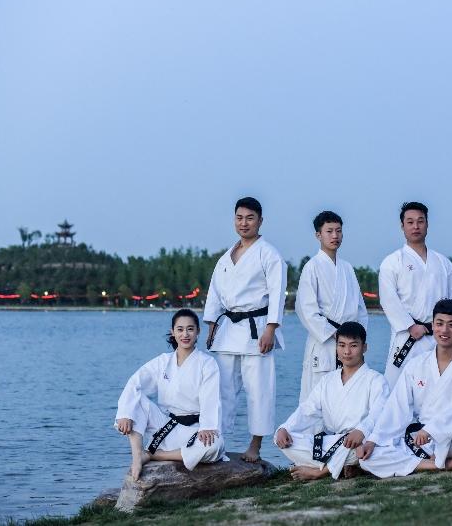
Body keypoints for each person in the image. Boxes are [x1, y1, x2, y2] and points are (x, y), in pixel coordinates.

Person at [359, 299, 452, 478]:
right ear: (432, 325)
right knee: (368, 459)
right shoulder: (416, 364)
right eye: (439, 324)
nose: (444, 330)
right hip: (421, 438)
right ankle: (437, 464)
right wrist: (374, 439)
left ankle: (431, 460)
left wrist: (433, 429)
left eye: (451, 325)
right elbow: (397, 406)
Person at [203, 196, 287, 462]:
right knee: (222, 389)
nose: (244, 223)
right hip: (228, 330)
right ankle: (217, 441)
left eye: (250, 218)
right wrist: (212, 325)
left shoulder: (269, 254)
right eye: (239, 218)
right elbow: (214, 293)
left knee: (259, 389)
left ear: (260, 221)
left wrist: (271, 328)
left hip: (257, 329)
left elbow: (277, 294)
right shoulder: (226, 257)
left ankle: (255, 445)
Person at [114, 309, 224, 480]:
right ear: (173, 332)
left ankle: (154, 454)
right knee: (136, 401)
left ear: (198, 332)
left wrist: (207, 426)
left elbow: (211, 399)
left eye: (190, 329)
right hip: (166, 425)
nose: (185, 334)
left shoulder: (207, 363)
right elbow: (135, 382)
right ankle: (137, 456)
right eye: (180, 329)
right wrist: (125, 414)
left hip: (195, 429)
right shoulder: (163, 361)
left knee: (215, 446)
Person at [274, 322, 389, 481]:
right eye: (341, 345)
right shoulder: (327, 380)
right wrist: (286, 428)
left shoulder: (376, 380)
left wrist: (361, 431)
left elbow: (379, 414)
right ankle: (346, 465)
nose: (347, 352)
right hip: (334, 442)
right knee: (282, 439)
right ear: (336, 348)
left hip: (361, 441)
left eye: (353, 346)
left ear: (364, 348)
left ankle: (319, 471)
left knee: (368, 449)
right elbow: (307, 410)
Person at [378, 202, 452, 388]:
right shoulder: (392, 262)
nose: (415, 226)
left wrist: (448, 327)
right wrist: (410, 326)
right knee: (396, 387)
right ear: (402, 226)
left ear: (427, 224)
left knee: (437, 385)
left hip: (438, 335)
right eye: (410, 222)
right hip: (407, 335)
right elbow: (388, 299)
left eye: (420, 221)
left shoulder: (444, 263)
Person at [295, 211, 368, 402]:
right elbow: (306, 310)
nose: (335, 236)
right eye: (329, 231)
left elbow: (360, 309)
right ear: (318, 235)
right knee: (316, 397)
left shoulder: (347, 268)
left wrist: (356, 337)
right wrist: (335, 334)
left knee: (348, 396)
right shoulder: (312, 267)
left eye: (339, 231)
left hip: (348, 345)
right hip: (324, 342)